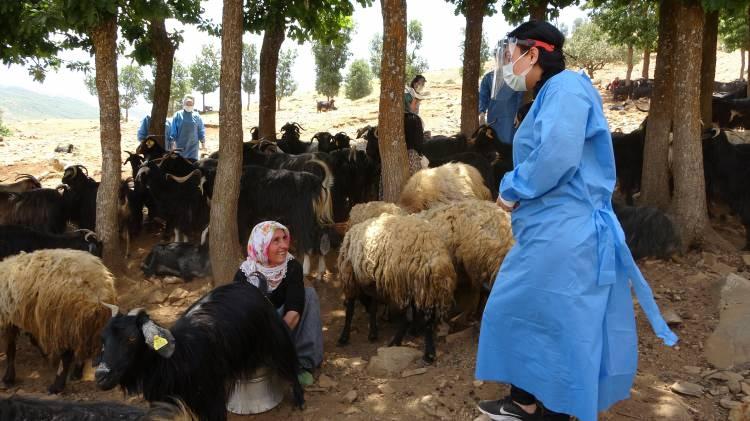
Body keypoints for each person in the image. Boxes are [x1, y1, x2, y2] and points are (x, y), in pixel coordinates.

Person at [474, 21, 677, 421]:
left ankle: (550, 407)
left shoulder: (566, 89)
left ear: (533, 53)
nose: (506, 61)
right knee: (537, 311)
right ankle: (527, 401)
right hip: (553, 231)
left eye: (511, 52)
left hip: (566, 233)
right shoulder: (553, 92)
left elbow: (556, 157)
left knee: (530, 309)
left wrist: (512, 187)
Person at [233, 221, 323, 386]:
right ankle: (262, 363)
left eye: (284, 238)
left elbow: (293, 313)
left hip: (284, 327)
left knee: (309, 295)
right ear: (261, 244)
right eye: (276, 241)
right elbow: (240, 319)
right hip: (257, 332)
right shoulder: (244, 274)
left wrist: (273, 341)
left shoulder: (292, 267)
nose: (284, 245)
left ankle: (303, 363)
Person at [478, 46, 524, 145]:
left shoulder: (517, 77)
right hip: (494, 118)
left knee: (508, 144)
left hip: (511, 117)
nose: (507, 57)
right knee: (493, 143)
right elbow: (483, 96)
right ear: (496, 57)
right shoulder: (488, 77)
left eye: (508, 55)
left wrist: (518, 113)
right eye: (503, 55)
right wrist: (481, 113)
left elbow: (520, 97)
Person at [168, 95, 206, 161]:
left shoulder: (197, 116)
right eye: (187, 104)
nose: (189, 106)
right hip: (180, 145)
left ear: (193, 104)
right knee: (181, 162)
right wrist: (172, 142)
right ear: (184, 104)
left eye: (190, 104)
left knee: (193, 163)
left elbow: (200, 129)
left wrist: (203, 142)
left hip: (193, 145)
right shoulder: (178, 115)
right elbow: (173, 130)